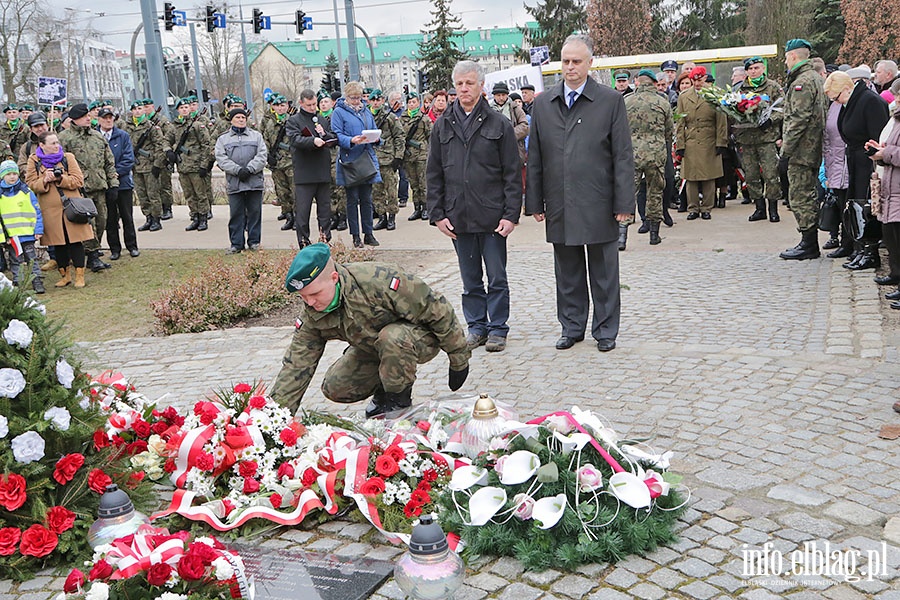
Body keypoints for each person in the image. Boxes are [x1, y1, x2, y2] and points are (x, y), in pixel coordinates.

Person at [525, 34, 635, 353]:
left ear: (590, 63)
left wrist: (624, 203)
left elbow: (623, 156)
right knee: (568, 271)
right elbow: (536, 157)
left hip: (600, 200)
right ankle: (572, 326)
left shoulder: (610, 101)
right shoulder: (544, 104)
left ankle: (605, 330)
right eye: (566, 61)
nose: (570, 68)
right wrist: (534, 201)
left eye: (577, 61)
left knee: (604, 272)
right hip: (560, 200)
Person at [271, 243, 471, 417]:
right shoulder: (312, 313)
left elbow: (437, 309)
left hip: (418, 339)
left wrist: (458, 359)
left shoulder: (378, 281)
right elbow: (296, 365)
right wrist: (274, 419)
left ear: (333, 277)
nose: (310, 302)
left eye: (315, 294)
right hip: (373, 346)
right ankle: (384, 387)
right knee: (335, 386)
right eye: (303, 297)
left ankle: (398, 404)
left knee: (392, 337)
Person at [427, 60, 522, 354]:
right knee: (470, 280)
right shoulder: (442, 125)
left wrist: (511, 215)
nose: (464, 89)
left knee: (496, 277)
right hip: (459, 217)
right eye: (459, 84)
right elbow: (433, 173)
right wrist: (438, 214)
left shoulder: (499, 124)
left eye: (470, 83)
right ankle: (476, 326)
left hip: (492, 216)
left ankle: (497, 329)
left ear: (482, 86)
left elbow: (511, 172)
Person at [829, 70, 889, 270]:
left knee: (867, 206)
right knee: (856, 203)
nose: (836, 102)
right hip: (856, 159)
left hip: (868, 162)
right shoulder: (852, 101)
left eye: (837, 97)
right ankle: (860, 248)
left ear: (847, 88)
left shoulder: (869, 101)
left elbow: (878, 136)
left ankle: (870, 251)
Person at [778, 39, 829, 261]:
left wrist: (785, 152)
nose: (785, 61)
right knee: (808, 193)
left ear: (794, 57)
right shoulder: (816, 78)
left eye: (786, 57)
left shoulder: (802, 82)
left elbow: (798, 120)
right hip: (814, 146)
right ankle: (809, 241)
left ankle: (809, 244)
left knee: (800, 195)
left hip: (802, 149)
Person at [25, 131, 93, 288]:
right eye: (53, 143)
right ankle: (65, 275)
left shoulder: (67, 157)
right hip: (50, 210)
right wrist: (44, 180)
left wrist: (60, 178)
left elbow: (78, 180)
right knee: (58, 244)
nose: (57, 146)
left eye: (57, 142)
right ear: (42, 145)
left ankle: (80, 275)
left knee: (75, 241)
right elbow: (30, 184)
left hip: (71, 207)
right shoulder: (34, 160)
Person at [58, 103, 118, 272]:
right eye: (85, 116)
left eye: (89, 116)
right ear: (75, 119)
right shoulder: (65, 138)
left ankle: (94, 251)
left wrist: (113, 184)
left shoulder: (97, 136)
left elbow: (109, 161)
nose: (88, 118)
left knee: (101, 221)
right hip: (79, 189)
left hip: (99, 185)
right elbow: (60, 163)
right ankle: (92, 255)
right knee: (87, 223)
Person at [331, 81, 383, 248]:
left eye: (359, 98)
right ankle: (355, 236)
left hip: (366, 160)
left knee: (367, 200)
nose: (356, 101)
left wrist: (376, 139)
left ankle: (369, 233)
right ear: (347, 97)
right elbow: (336, 134)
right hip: (350, 162)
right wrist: (351, 140)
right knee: (352, 200)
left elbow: (374, 129)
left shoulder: (366, 111)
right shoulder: (338, 112)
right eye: (353, 98)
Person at [625, 70, 673, 246]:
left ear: (638, 82)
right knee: (655, 193)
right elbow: (669, 131)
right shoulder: (662, 101)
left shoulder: (626, 101)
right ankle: (654, 235)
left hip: (632, 154)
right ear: (653, 82)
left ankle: (622, 236)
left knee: (628, 193)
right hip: (655, 154)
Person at [735, 56, 784, 224]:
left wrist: (771, 120)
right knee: (751, 175)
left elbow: (783, 108)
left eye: (756, 68)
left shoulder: (773, 87)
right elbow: (734, 112)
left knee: (771, 174)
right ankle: (759, 208)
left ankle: (773, 209)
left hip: (766, 138)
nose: (754, 71)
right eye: (750, 69)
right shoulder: (740, 89)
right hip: (747, 139)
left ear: (763, 68)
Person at [676, 66, 727, 220]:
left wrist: (721, 142)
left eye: (700, 79)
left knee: (708, 176)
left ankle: (706, 208)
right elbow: (680, 121)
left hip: (709, 139)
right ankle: (693, 208)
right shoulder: (684, 96)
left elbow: (721, 121)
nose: (697, 83)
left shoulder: (714, 94)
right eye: (694, 80)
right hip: (690, 139)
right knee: (690, 176)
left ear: (705, 78)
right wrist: (680, 145)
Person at [215, 107, 268, 254]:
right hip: (235, 183)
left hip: (254, 181)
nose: (241, 120)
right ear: (231, 120)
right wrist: (237, 170)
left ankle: (254, 242)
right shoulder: (223, 139)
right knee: (236, 214)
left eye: (243, 117)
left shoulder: (256, 136)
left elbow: (262, 155)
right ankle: (236, 244)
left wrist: (250, 169)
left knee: (254, 213)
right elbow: (221, 158)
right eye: (237, 117)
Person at [286, 89, 334, 247]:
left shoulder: (322, 119)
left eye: (315, 104)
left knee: (325, 210)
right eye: (309, 105)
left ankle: (325, 239)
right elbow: (295, 139)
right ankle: (304, 242)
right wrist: (313, 141)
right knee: (303, 211)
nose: (313, 107)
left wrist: (325, 135)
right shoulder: (294, 120)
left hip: (322, 171)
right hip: (304, 173)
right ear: (301, 103)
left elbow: (331, 137)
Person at [867, 113, 900, 314]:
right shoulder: (895, 118)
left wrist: (885, 153)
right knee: (891, 236)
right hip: (891, 185)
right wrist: (880, 151)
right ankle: (897, 275)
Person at [97, 108, 139, 260]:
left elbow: (128, 159)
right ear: (99, 119)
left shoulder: (123, 136)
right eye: (105, 118)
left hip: (123, 184)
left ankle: (132, 246)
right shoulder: (95, 136)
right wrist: (106, 176)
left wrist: (116, 173)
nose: (109, 120)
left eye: (111, 118)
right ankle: (115, 248)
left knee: (127, 216)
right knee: (110, 219)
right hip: (104, 184)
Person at [0, 160, 44, 293]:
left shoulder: (26, 192)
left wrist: (38, 229)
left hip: (27, 234)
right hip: (12, 237)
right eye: (8, 174)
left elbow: (37, 211)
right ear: (2, 176)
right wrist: (3, 237)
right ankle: (19, 284)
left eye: (14, 173)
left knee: (32, 260)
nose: (12, 177)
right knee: (16, 261)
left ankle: (37, 281)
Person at [124, 100, 166, 233]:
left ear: (144, 110)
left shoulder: (151, 127)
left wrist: (157, 164)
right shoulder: (126, 127)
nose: (137, 111)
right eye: (134, 109)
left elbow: (160, 146)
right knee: (142, 194)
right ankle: (148, 218)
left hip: (149, 165)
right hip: (135, 166)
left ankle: (156, 219)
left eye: (140, 108)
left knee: (153, 194)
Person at [171, 98, 212, 232]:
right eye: (181, 108)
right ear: (178, 110)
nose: (184, 110)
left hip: (195, 165)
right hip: (182, 166)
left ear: (190, 109)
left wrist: (204, 165)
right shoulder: (175, 126)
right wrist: (168, 152)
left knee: (200, 194)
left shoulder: (197, 125)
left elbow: (206, 145)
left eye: (186, 107)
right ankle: (194, 217)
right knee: (189, 194)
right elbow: (166, 140)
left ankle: (203, 218)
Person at [370, 89, 405, 233]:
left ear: (382, 100)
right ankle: (381, 216)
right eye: (373, 100)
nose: (376, 102)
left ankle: (391, 217)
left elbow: (399, 136)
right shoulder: (366, 117)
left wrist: (398, 156)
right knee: (376, 192)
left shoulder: (389, 117)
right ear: (369, 101)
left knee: (391, 190)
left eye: (378, 100)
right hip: (372, 159)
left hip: (388, 159)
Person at [262, 94, 296, 230]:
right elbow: (265, 140)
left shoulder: (293, 121)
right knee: (282, 193)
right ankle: (289, 217)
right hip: (276, 164)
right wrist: (268, 155)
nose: (280, 108)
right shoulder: (270, 124)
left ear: (287, 107)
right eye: (277, 106)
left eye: (283, 105)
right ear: (273, 108)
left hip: (291, 163)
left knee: (295, 192)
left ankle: (298, 217)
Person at [400, 92, 432, 221]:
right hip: (408, 155)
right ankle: (417, 208)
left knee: (423, 183)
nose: (411, 105)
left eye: (414, 102)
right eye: (409, 102)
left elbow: (430, 136)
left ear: (418, 103)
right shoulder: (402, 119)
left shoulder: (423, 118)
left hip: (421, 155)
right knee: (413, 184)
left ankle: (425, 208)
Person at [489, 81, 529, 176]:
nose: (501, 98)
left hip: (514, 150)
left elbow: (525, 126)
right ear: (494, 96)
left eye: (503, 95)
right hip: (494, 152)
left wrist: (509, 135)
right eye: (498, 95)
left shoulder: (515, 108)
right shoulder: (488, 110)